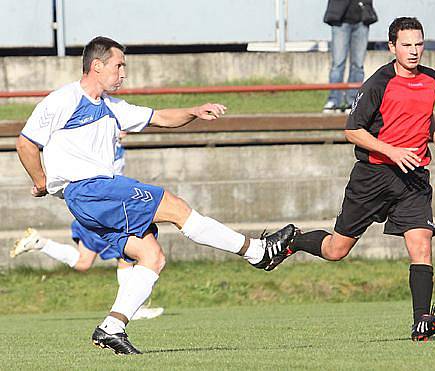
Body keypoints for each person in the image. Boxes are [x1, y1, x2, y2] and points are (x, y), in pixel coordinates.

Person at [15, 36, 298, 355]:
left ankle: (112, 327)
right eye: (118, 66)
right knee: (176, 208)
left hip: (92, 198)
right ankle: (257, 251)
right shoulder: (64, 99)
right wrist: (40, 182)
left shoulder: (111, 106)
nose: (123, 73)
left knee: (152, 256)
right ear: (97, 66)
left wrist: (193, 110)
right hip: (92, 190)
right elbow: (26, 143)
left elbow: (160, 117)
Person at [267, 17, 435, 342]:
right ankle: (293, 240)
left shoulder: (432, 79)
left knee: (421, 244)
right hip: (373, 177)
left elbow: (424, 113)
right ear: (391, 47)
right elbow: (352, 130)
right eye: (406, 45)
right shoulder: (378, 83)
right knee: (337, 250)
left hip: (414, 178)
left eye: (419, 44)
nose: (413, 51)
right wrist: (392, 151)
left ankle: (422, 320)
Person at [11, 134, 163, 321]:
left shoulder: (104, 142)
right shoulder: (100, 144)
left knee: (84, 263)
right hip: (106, 209)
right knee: (127, 257)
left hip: (93, 209)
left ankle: (40, 243)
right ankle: (131, 308)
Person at [322, 0, 377, 113]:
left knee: (358, 65)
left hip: (362, 19)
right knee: (338, 64)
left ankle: (352, 102)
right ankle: (334, 101)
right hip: (340, 20)